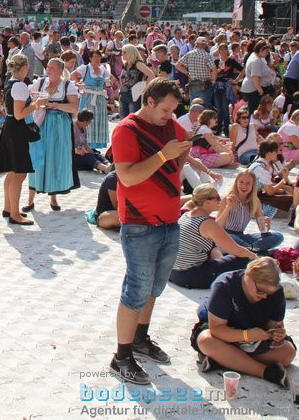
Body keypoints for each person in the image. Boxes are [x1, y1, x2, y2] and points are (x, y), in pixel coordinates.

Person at [106, 78, 193, 385]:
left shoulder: (169, 126)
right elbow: (127, 177)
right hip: (140, 224)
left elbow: (185, 142)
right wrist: (163, 157)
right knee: (136, 290)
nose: (171, 115)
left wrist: (179, 157)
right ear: (149, 101)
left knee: (155, 287)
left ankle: (140, 338)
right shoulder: (126, 130)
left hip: (169, 220)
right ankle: (122, 356)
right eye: (166, 109)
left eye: (174, 110)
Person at [191, 257, 295, 388]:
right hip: (223, 333)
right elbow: (216, 329)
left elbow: (274, 325)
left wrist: (278, 334)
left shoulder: (277, 292)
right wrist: (247, 335)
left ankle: (224, 360)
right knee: (205, 341)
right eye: (260, 291)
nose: (264, 296)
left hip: (253, 340)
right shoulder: (225, 284)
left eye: (269, 293)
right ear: (248, 276)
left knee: (288, 353)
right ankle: (265, 372)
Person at [23, 57, 81, 211]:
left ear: (61, 71)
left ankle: (53, 198)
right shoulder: (39, 83)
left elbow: (74, 108)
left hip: (59, 127)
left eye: (52, 68)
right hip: (40, 125)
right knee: (37, 157)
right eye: (48, 67)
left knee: (55, 159)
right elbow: (29, 101)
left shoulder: (68, 86)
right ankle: (30, 199)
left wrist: (56, 105)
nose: (48, 70)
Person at [0, 54, 48, 225]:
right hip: (17, 129)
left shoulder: (10, 83)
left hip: (10, 127)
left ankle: (8, 208)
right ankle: (14, 214)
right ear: (25, 67)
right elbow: (20, 114)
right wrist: (36, 104)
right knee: (20, 173)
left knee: (12, 171)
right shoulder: (19, 85)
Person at [215, 170, 284, 253]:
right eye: (241, 182)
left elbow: (263, 230)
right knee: (230, 237)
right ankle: (251, 250)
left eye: (248, 183)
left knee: (278, 236)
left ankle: (249, 249)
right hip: (226, 234)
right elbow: (217, 226)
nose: (244, 186)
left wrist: (266, 225)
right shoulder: (227, 198)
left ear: (253, 185)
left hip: (242, 236)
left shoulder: (255, 201)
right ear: (236, 182)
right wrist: (228, 207)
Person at [76, 49, 114, 150]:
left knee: (98, 121)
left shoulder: (103, 69)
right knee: (87, 120)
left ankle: (94, 146)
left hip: (100, 99)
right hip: (88, 97)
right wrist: (78, 84)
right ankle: (85, 144)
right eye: (95, 57)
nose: (97, 59)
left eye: (99, 57)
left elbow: (111, 80)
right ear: (90, 58)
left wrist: (107, 86)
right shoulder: (85, 68)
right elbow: (73, 75)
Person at [117, 44, 154, 119]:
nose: (122, 54)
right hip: (124, 95)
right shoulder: (126, 64)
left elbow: (151, 74)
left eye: (124, 52)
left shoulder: (137, 63)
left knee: (133, 119)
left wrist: (145, 88)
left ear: (130, 52)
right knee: (123, 119)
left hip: (134, 95)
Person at [72, 110, 113, 174]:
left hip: (81, 154)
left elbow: (85, 146)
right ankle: (105, 168)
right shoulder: (72, 128)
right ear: (85, 121)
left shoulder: (83, 128)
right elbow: (66, 147)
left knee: (96, 154)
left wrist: (94, 154)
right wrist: (77, 151)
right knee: (88, 157)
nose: (89, 123)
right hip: (73, 156)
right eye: (89, 121)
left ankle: (109, 165)